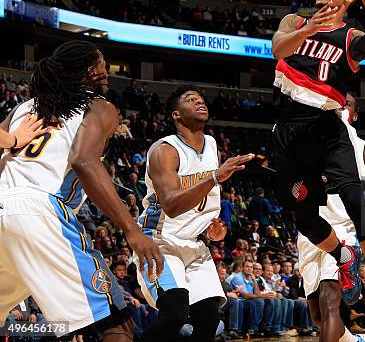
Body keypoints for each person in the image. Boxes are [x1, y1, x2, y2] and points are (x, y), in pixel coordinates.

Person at [271, 0, 365, 325]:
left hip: (327, 128)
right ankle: (344, 256)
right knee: (303, 218)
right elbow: (278, 48)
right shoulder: (294, 21)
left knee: (354, 199)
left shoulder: (350, 36)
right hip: (289, 130)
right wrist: (306, 29)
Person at [0, 40, 163, 340]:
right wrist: (132, 230)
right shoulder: (99, 106)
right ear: (91, 71)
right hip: (40, 210)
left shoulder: (23, 108)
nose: (106, 70)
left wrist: (10, 142)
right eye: (102, 63)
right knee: (116, 319)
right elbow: (83, 160)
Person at [136, 85, 254, 341]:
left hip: (194, 244)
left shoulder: (211, 145)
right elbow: (171, 205)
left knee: (209, 317)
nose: (200, 102)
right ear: (176, 115)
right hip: (159, 241)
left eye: (201, 99)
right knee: (174, 314)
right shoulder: (164, 150)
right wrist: (214, 176)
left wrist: (213, 230)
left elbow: (204, 200)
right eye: (191, 100)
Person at [298, 94, 365, 341]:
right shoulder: (310, 145)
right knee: (317, 317)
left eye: (347, 104)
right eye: (335, 102)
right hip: (311, 234)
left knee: (330, 303)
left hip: (343, 233)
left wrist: (361, 217)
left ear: (354, 116)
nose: (339, 106)